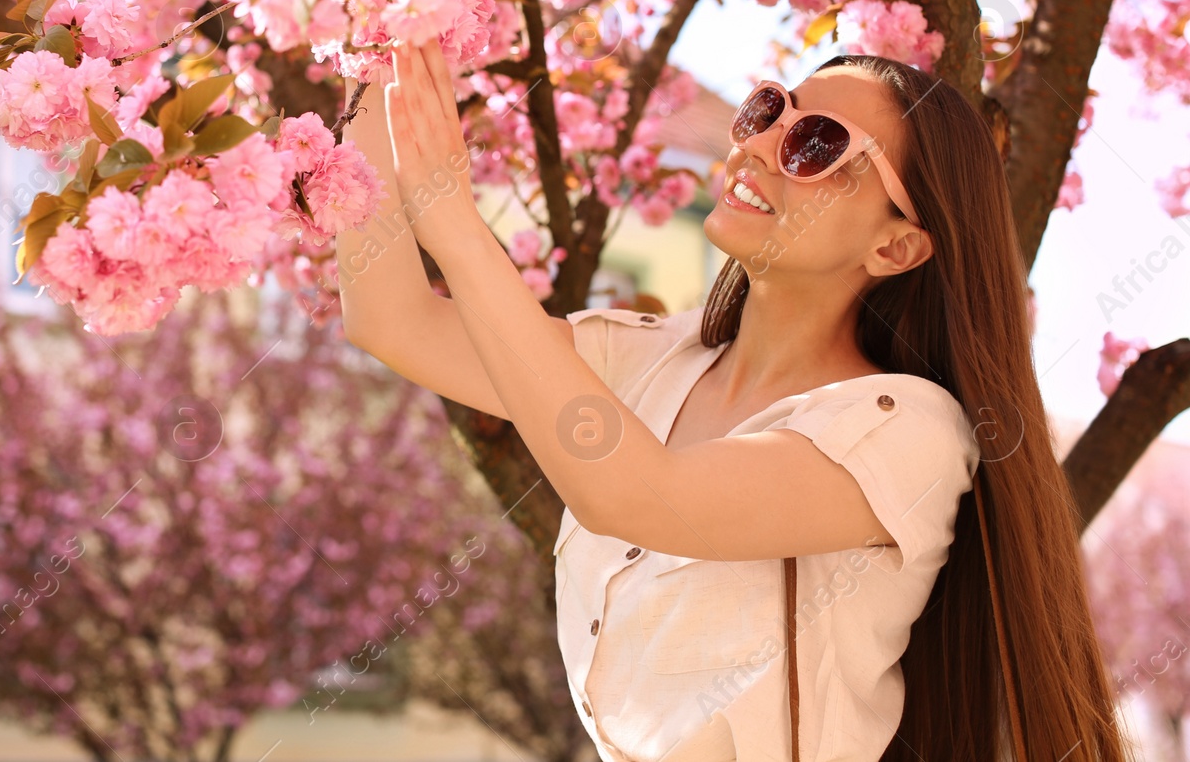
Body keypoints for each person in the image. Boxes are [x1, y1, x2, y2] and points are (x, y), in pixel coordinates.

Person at [337, 44, 1127, 762]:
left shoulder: (907, 434)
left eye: (817, 143)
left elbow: (640, 496)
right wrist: (374, 42)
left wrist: (455, 225)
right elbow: (394, 319)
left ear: (895, 246)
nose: (755, 145)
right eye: (767, 111)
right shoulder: (644, 359)